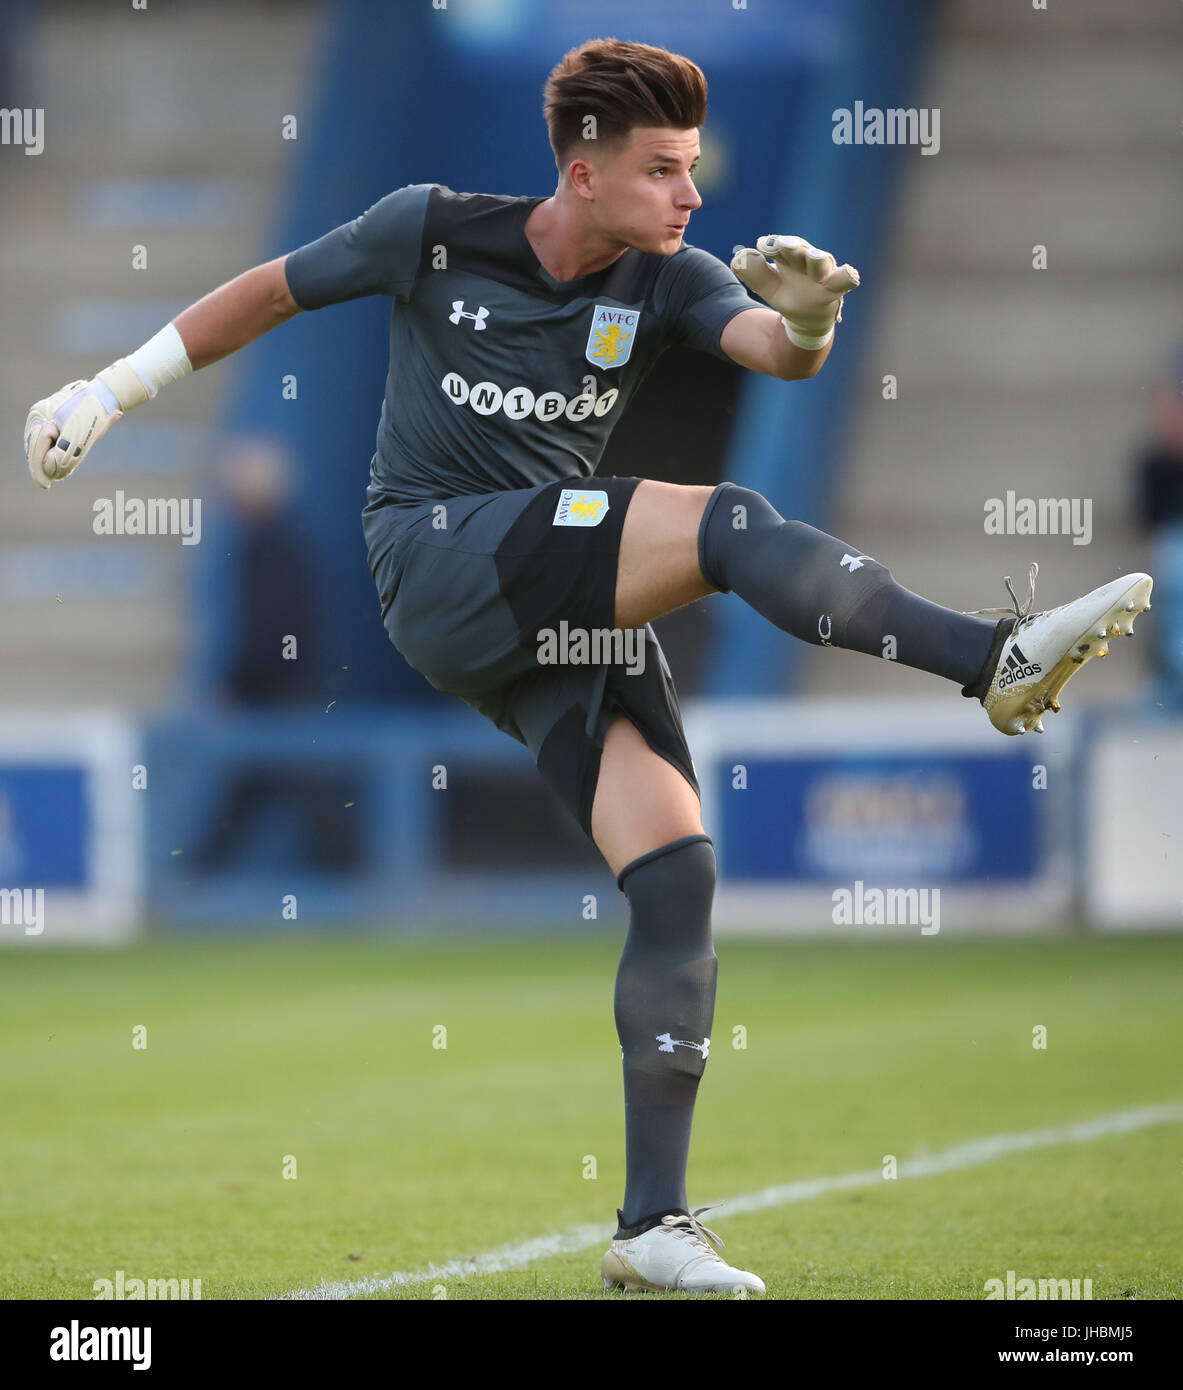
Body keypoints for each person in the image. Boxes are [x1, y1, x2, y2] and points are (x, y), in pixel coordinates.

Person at [23, 38, 1151, 1296]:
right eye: (666, 169)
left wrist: (815, 318)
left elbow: (773, 355)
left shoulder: (671, 277)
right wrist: (109, 390)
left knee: (675, 873)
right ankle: (990, 661)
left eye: (694, 169)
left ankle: (650, 1226)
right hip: (434, 553)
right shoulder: (433, 233)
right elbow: (276, 291)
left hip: (548, 606)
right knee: (724, 524)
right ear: (583, 169)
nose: (691, 194)